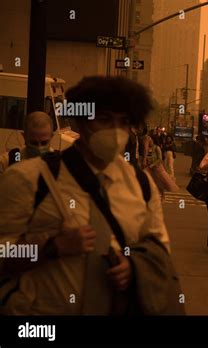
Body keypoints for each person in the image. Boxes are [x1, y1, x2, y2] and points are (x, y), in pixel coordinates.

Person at [0, 76, 175, 315]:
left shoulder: (140, 183)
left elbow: (159, 248)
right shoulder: (28, 179)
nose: (115, 131)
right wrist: (52, 247)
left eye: (123, 122)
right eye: (104, 119)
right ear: (79, 122)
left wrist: (132, 266)